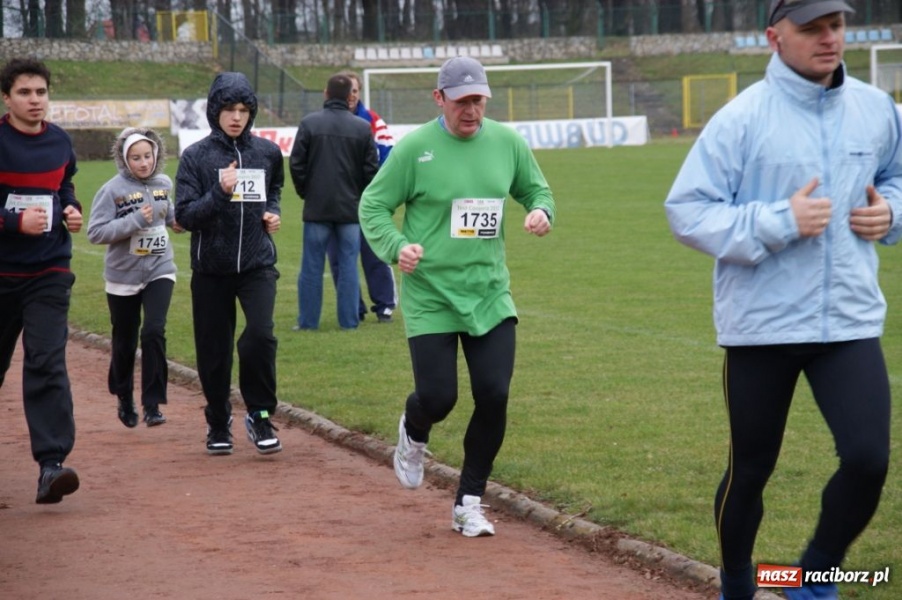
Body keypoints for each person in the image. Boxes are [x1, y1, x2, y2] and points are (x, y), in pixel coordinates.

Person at [664, 2, 902, 599]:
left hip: (847, 322)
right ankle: (740, 585)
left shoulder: (877, 110)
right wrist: (779, 220)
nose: (828, 39)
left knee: (869, 460)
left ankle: (811, 579)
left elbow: (897, 177)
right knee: (750, 473)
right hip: (761, 328)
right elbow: (688, 211)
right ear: (774, 37)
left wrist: (890, 211)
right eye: (811, 28)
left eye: (836, 26)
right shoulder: (740, 119)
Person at [359, 56, 555, 537]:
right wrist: (396, 246)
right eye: (463, 101)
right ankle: (414, 428)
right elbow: (374, 205)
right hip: (431, 294)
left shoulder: (507, 143)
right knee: (438, 396)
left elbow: (537, 190)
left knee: (495, 394)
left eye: (479, 101)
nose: (472, 111)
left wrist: (541, 212)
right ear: (439, 98)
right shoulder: (415, 150)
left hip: (488, 293)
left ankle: (468, 502)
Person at [175, 72, 284, 456]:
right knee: (214, 350)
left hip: (257, 264)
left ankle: (259, 413)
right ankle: (218, 420)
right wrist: (220, 192)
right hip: (211, 269)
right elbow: (185, 215)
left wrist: (272, 213)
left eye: (243, 109)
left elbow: (274, 190)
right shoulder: (196, 157)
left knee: (260, 335)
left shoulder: (267, 153)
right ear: (214, 111)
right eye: (228, 109)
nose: (236, 117)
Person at [0, 57, 83, 503]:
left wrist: (71, 210)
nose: (35, 101)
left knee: (46, 362)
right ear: (6, 97)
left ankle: (51, 466)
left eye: (42, 92)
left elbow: (64, 187)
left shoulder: (59, 142)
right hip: (2, 272)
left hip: (49, 270)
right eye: (25, 93)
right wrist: (13, 224)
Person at [87, 127, 182, 429]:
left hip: (159, 269)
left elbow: (169, 216)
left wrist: (183, 220)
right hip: (122, 276)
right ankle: (124, 394)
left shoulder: (164, 183)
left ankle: (152, 403)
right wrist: (134, 220)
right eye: (136, 157)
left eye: (147, 156)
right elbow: (96, 232)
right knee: (125, 341)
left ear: (156, 155)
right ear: (125, 159)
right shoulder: (112, 190)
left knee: (154, 331)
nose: (143, 163)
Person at [289, 73, 379, 330]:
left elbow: (296, 165)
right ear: (350, 96)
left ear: (326, 94)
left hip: (317, 207)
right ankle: (349, 322)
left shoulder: (309, 123)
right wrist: (358, 195)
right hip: (350, 209)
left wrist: (306, 192)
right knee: (349, 266)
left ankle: (308, 322)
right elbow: (371, 170)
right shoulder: (362, 128)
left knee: (311, 267)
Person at [325, 70, 398, 323]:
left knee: (376, 254)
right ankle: (353, 307)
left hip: (369, 201)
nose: (351, 96)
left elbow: (388, 159)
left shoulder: (374, 122)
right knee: (339, 259)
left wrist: (375, 192)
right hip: (337, 203)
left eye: (354, 91)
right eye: (347, 91)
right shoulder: (325, 122)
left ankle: (385, 305)